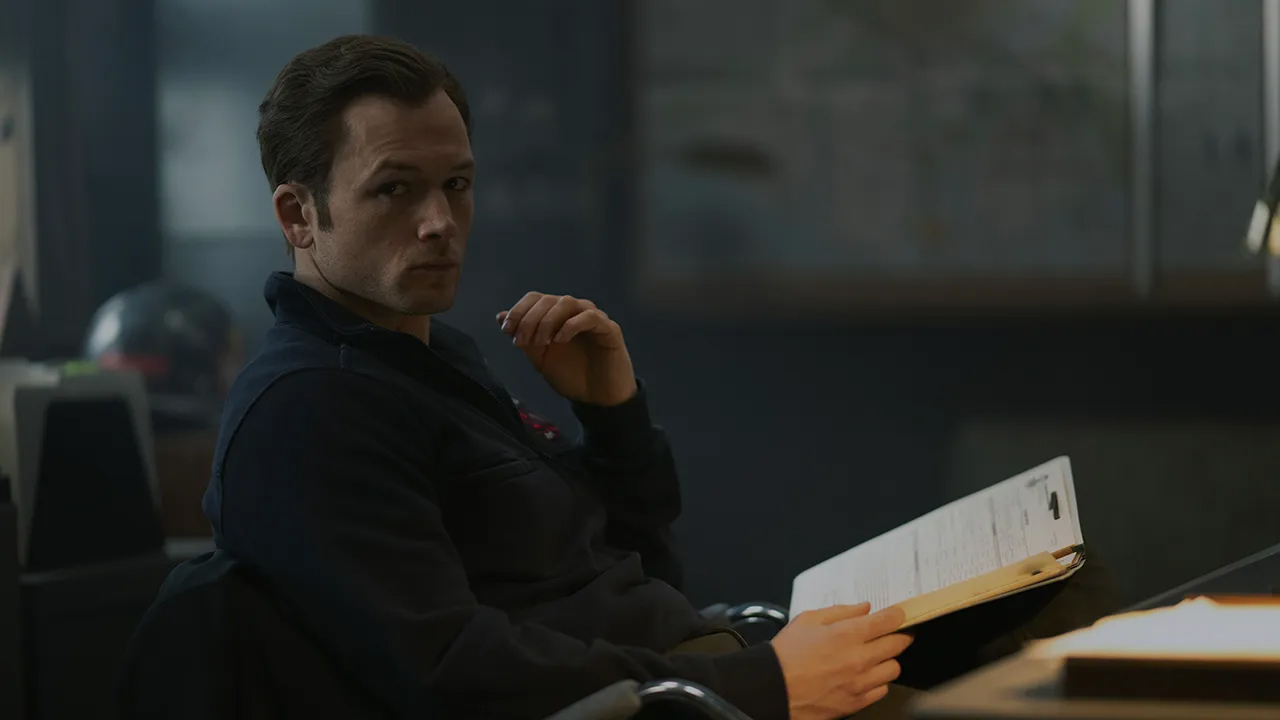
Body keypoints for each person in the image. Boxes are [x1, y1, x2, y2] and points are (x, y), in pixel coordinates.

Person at [203, 34, 1116, 720]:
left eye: (458, 184)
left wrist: (610, 410)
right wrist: (766, 683)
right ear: (298, 214)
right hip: (686, 699)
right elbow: (452, 675)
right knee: (1074, 693)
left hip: (703, 666)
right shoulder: (310, 408)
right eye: (395, 189)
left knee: (1061, 598)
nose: (441, 221)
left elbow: (633, 567)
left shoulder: (427, 359)